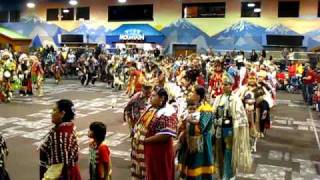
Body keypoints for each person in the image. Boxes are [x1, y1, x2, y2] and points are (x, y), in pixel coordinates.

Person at [131, 87, 177, 180]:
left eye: (153, 96)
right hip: (146, 149)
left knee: (157, 174)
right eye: (151, 95)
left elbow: (166, 135)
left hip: (158, 152)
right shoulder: (151, 107)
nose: (150, 97)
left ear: (162, 98)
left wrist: (145, 140)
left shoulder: (168, 112)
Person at [213, 73, 252, 179]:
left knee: (229, 151)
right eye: (223, 84)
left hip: (229, 129)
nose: (224, 86)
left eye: (226, 84)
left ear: (231, 86)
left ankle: (228, 174)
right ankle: (221, 173)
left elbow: (240, 116)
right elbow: (213, 113)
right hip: (219, 129)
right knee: (219, 150)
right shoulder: (218, 98)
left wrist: (236, 126)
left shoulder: (236, 99)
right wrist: (215, 121)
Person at [177, 86, 215, 179]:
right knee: (190, 166)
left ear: (198, 96)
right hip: (189, 143)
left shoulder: (206, 109)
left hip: (201, 144)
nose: (191, 94)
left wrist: (188, 122)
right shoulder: (193, 106)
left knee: (197, 167)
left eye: (193, 93)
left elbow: (201, 127)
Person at [39, 99, 81, 180]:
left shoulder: (61, 135)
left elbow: (58, 168)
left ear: (62, 114)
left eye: (54, 110)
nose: (51, 113)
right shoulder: (66, 128)